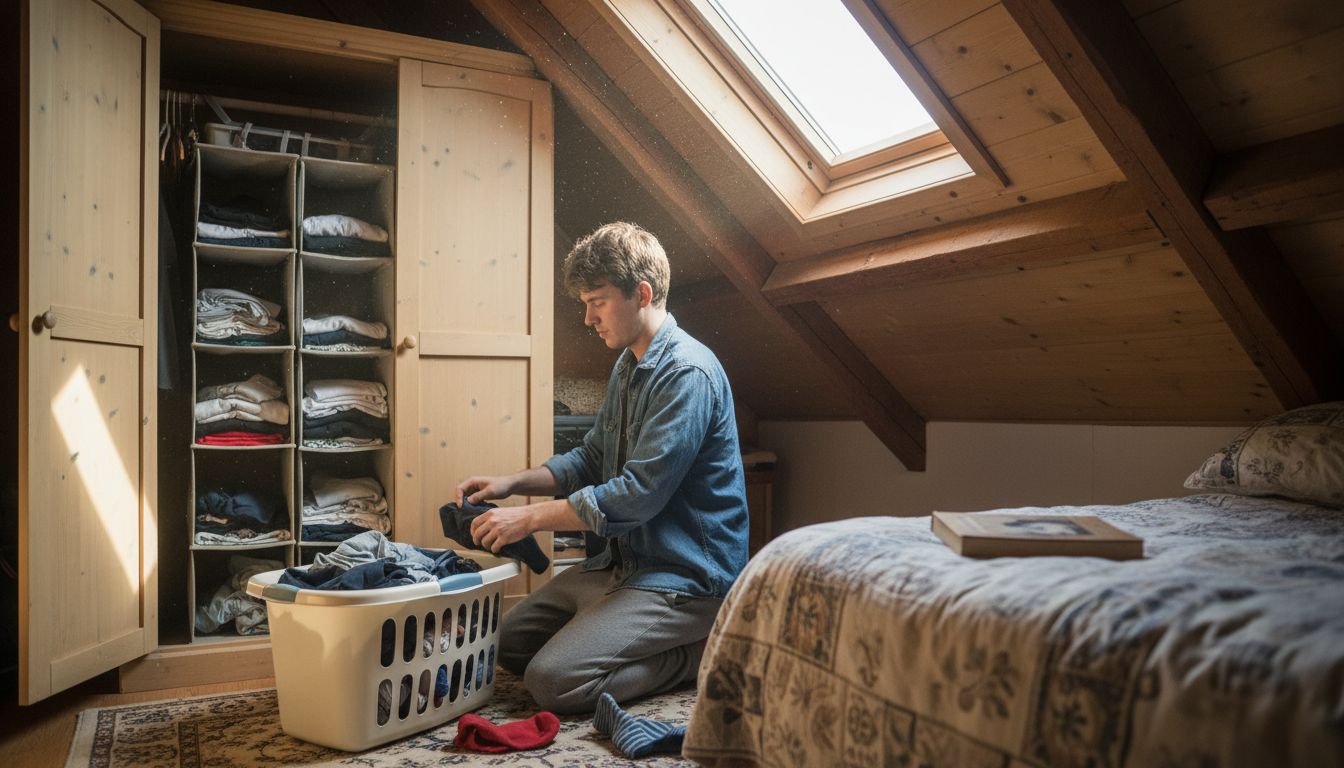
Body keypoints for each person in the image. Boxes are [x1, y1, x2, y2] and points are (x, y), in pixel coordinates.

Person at [455, 221, 749, 714]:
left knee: (553, 682)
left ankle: (698, 654)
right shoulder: (629, 363)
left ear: (643, 293)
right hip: (622, 564)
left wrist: (528, 519)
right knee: (504, 646)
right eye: (585, 303)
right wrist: (513, 483)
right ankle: (612, 628)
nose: (588, 318)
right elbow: (591, 458)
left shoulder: (688, 373)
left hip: (684, 577)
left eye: (597, 301)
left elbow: (637, 495)